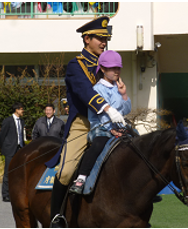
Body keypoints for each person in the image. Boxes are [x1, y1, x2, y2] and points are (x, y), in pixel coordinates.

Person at [46, 16, 126, 227]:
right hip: (84, 122)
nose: (103, 42)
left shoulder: (107, 63)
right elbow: (84, 92)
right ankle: (56, 215)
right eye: (99, 38)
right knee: (66, 170)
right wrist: (107, 108)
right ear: (87, 38)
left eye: (105, 38)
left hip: (110, 122)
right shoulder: (76, 65)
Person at [69, 50, 131, 194]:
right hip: (101, 130)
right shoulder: (97, 89)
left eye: (118, 68)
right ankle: (81, 178)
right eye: (112, 68)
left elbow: (126, 110)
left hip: (120, 130)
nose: (116, 71)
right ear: (102, 69)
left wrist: (124, 94)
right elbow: (103, 115)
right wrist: (111, 130)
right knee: (97, 145)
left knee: (138, 141)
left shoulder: (118, 87)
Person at [0, 102, 25, 202]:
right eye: (22, 109)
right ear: (16, 110)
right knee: (8, 172)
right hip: (10, 150)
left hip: (20, 149)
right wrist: (4, 148)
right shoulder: (8, 121)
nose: (23, 111)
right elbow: (2, 136)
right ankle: (5, 194)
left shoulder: (22, 121)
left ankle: (16, 193)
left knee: (19, 172)